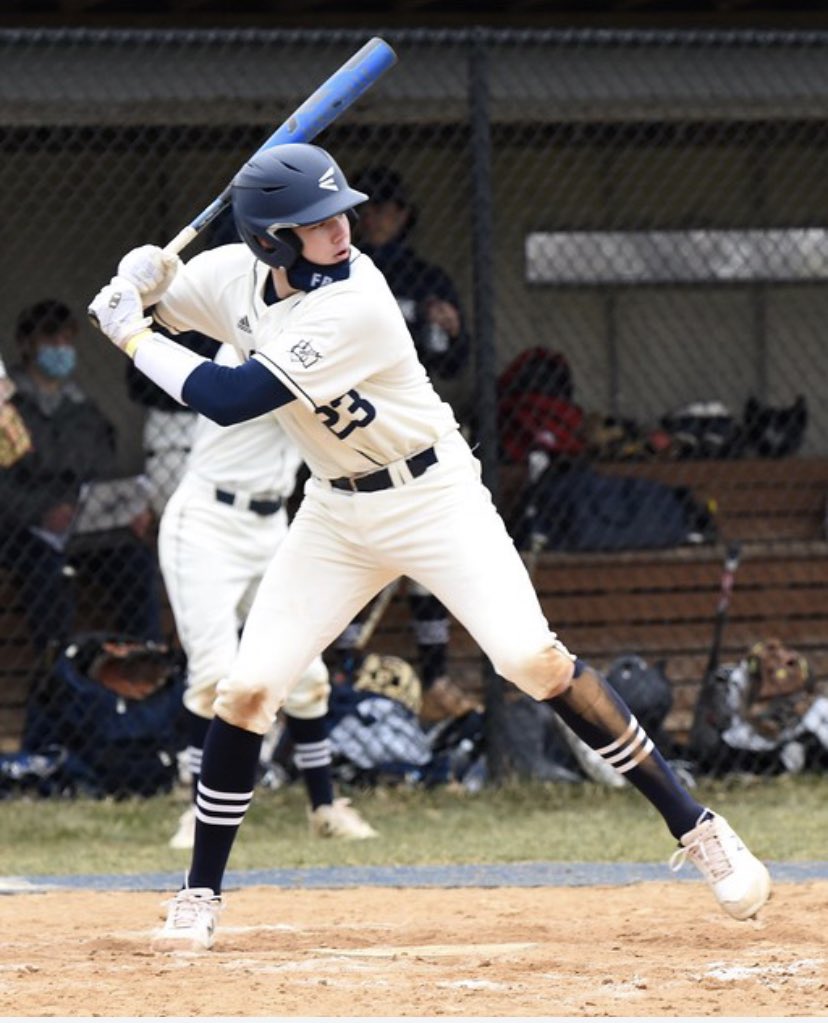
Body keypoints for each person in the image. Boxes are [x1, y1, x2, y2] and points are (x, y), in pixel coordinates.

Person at [88, 142, 771, 952]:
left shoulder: (358, 299)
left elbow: (229, 396)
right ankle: (198, 894)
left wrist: (132, 332)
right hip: (336, 514)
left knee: (533, 661)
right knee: (246, 690)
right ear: (270, 239)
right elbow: (168, 304)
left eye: (342, 210)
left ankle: (697, 826)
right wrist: (144, 283)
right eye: (317, 221)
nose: (342, 228)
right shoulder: (234, 274)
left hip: (433, 496)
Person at [157, 341, 377, 848]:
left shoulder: (313, 341)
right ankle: (196, 812)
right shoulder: (246, 346)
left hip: (273, 522)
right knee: (214, 673)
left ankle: (325, 808)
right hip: (207, 523)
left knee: (305, 671)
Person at [329, 164, 477, 722]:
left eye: (389, 209)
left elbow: (458, 362)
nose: (379, 219)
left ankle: (435, 674)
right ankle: (343, 666)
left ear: (406, 215)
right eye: (369, 210)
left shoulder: (426, 277)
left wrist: (454, 330)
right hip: (354, 425)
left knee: (424, 556)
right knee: (354, 546)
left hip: (417, 423)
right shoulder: (338, 273)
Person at [0, 299, 162, 652]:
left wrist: (125, 510)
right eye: (51, 341)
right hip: (22, 528)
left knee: (136, 562)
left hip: (85, 526)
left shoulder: (84, 409)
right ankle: (59, 667)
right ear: (27, 344)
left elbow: (104, 473)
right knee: (47, 571)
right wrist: (42, 511)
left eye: (66, 341)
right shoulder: (8, 408)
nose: (61, 349)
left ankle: (145, 657)